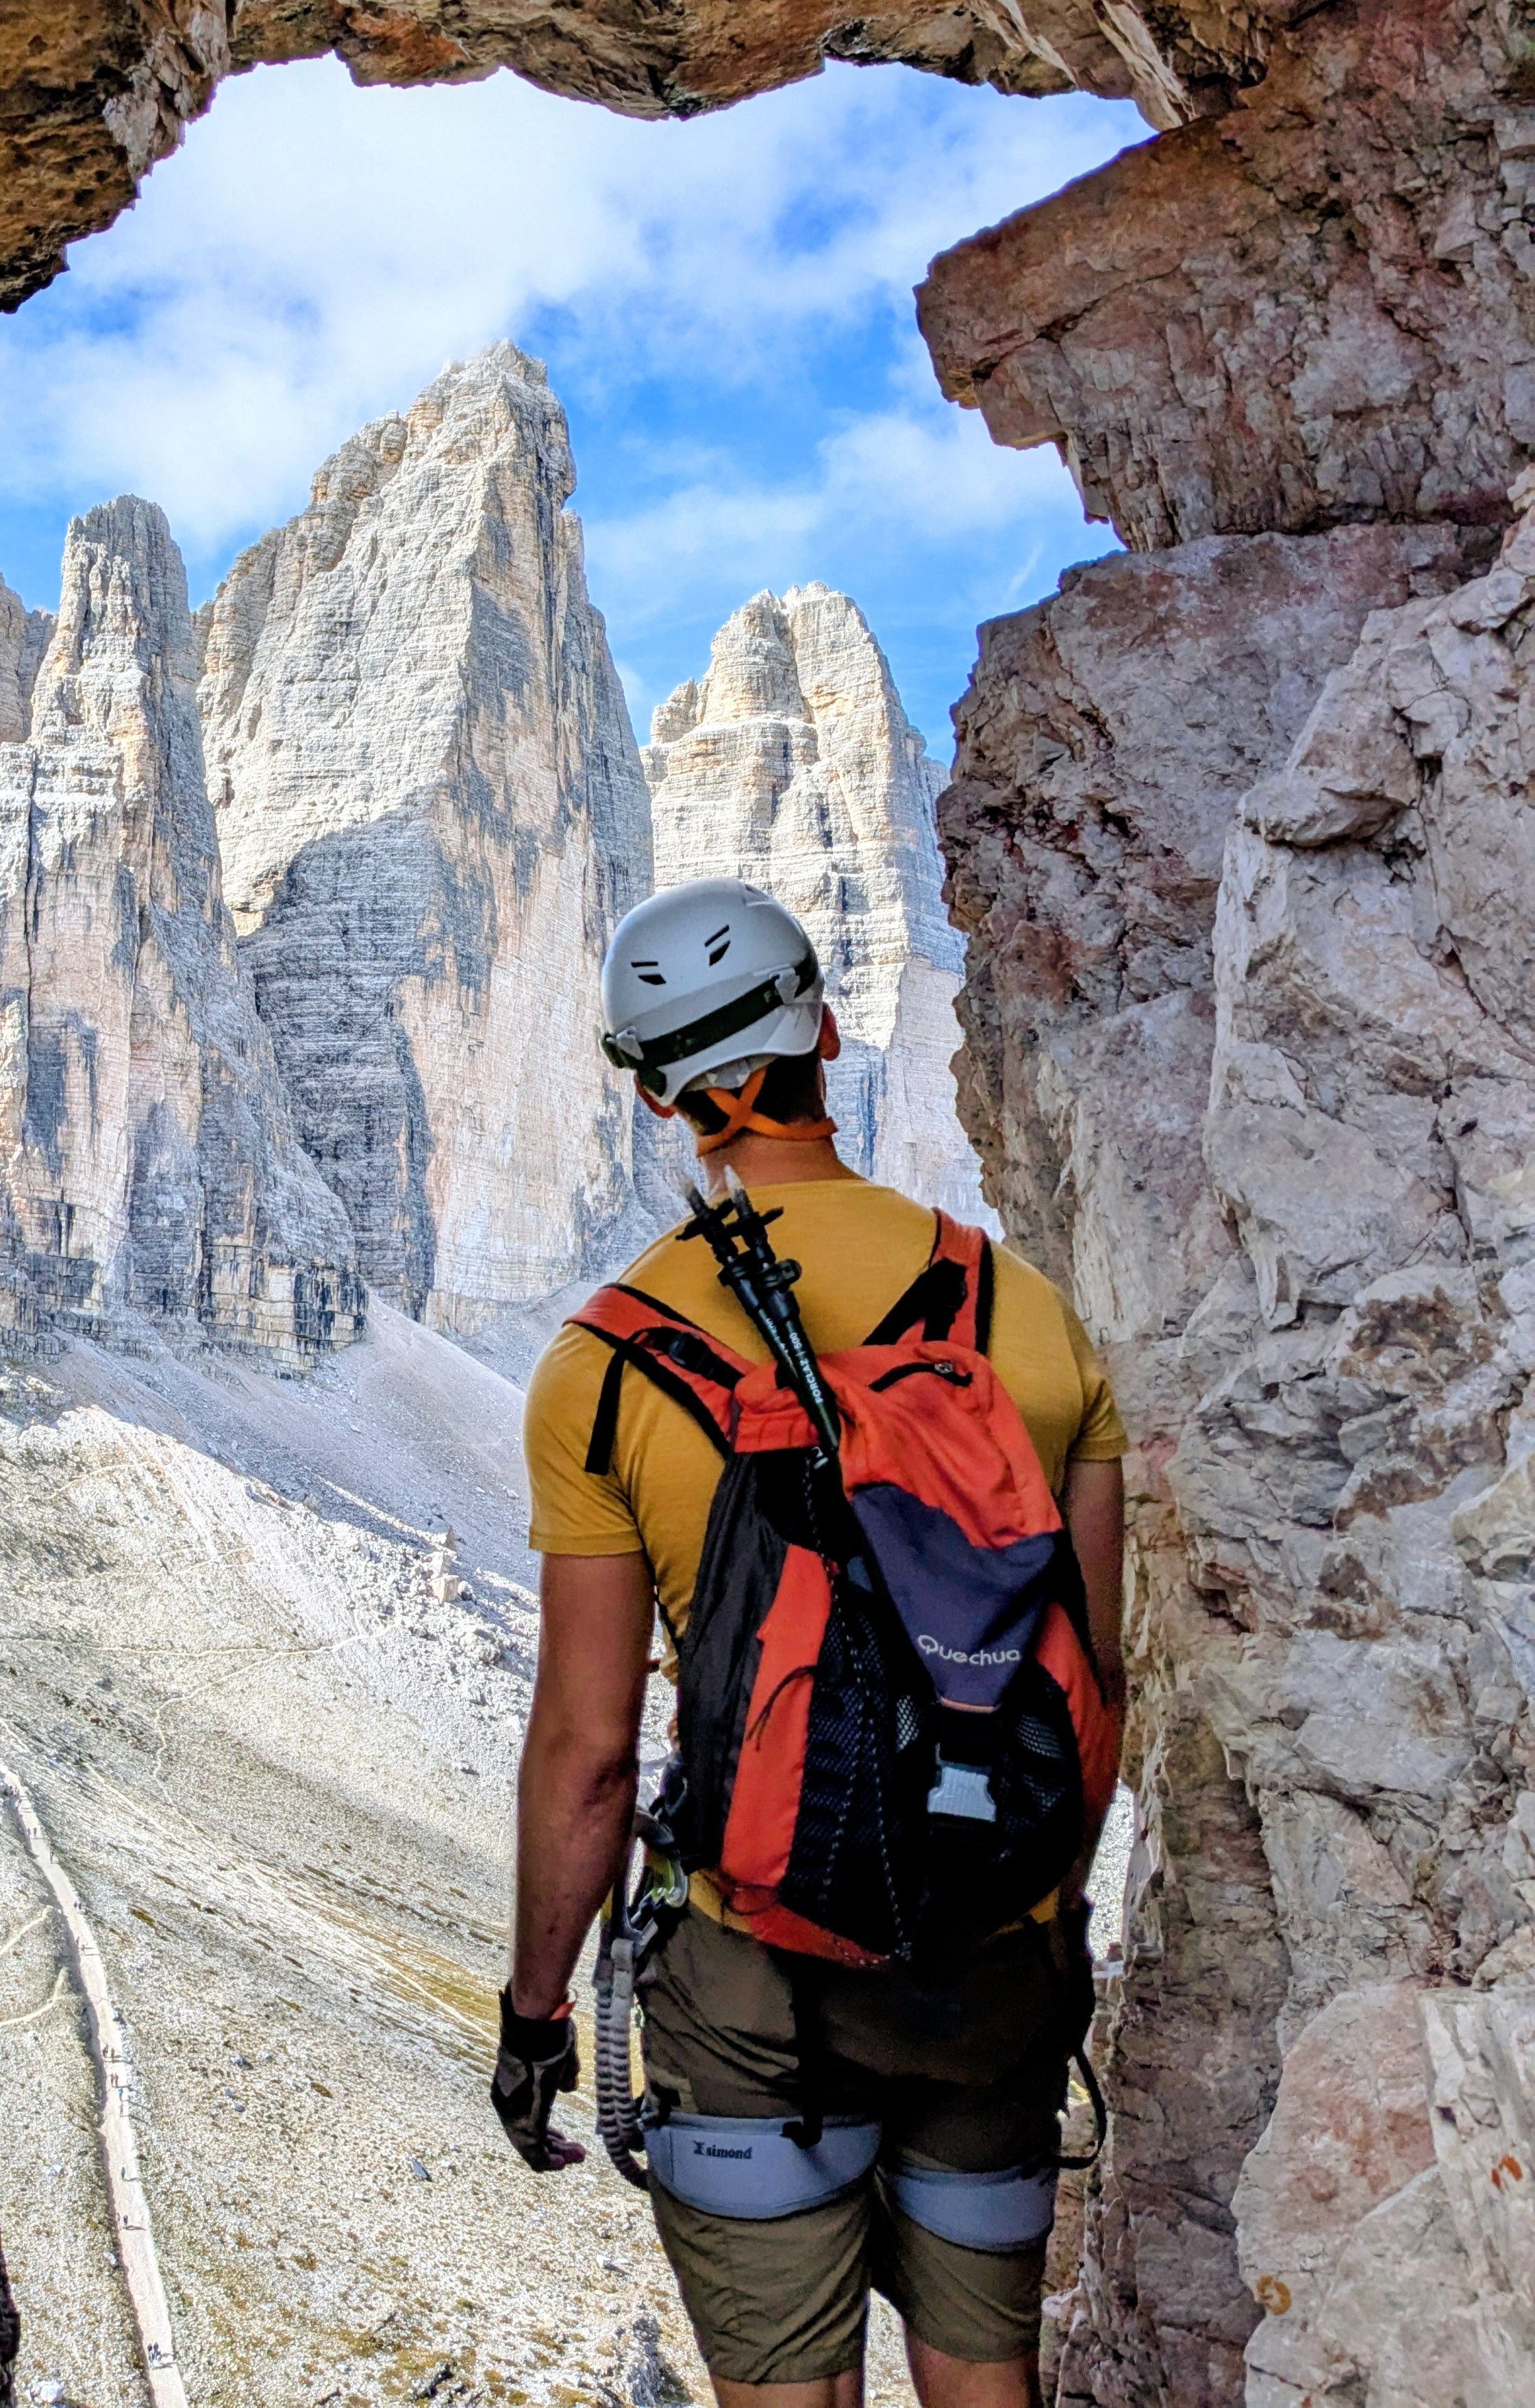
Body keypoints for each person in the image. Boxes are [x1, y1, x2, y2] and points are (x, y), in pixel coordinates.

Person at [490, 879, 1127, 2408]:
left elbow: (584, 1759)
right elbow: (1098, 1687)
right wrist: (1020, 1913)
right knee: (991, 2390)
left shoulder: (607, 1361)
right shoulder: (1031, 1320)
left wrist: (534, 2017)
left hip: (750, 1977)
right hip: (990, 1972)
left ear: (657, 1095)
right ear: (827, 1035)